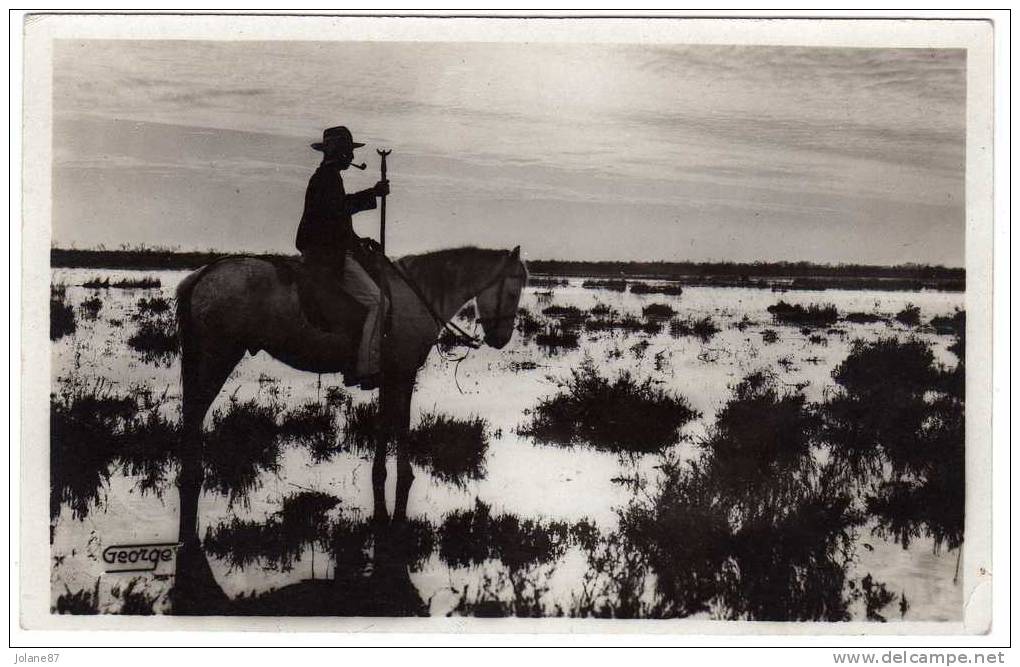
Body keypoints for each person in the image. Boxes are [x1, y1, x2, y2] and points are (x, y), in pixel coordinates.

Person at [296, 126, 389, 388]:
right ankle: (366, 368)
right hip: (329, 257)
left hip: (326, 250)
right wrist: (373, 193)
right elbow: (339, 210)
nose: (350, 156)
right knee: (378, 303)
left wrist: (360, 241)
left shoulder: (327, 177)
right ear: (339, 153)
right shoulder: (327, 178)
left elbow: (336, 223)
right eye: (347, 151)